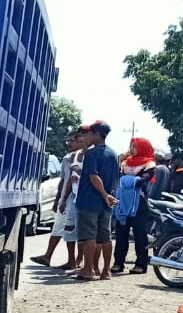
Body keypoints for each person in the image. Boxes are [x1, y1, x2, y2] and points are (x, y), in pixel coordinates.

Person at [71, 120, 119, 281]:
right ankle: (106, 271)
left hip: (89, 200)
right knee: (105, 237)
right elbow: (116, 178)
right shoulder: (113, 154)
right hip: (105, 204)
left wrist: (105, 194)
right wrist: (109, 196)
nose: (88, 136)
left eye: (91, 133)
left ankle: (88, 269)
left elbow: (93, 177)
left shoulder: (91, 154)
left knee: (89, 236)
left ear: (97, 134)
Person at [31, 129, 85, 269]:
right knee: (58, 229)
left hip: (77, 199)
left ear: (80, 140)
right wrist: (58, 200)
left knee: (75, 231)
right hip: (64, 200)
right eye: (68, 141)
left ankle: (77, 260)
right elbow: (63, 181)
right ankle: (48, 256)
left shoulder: (86, 158)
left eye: (71, 140)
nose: (69, 144)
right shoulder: (67, 159)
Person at [111, 136, 156, 274]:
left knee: (140, 235)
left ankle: (141, 264)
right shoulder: (125, 162)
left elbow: (143, 180)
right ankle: (118, 262)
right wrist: (123, 156)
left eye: (135, 146)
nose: (132, 149)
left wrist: (126, 181)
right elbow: (115, 171)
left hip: (139, 203)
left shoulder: (149, 163)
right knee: (121, 233)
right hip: (123, 201)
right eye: (131, 145)